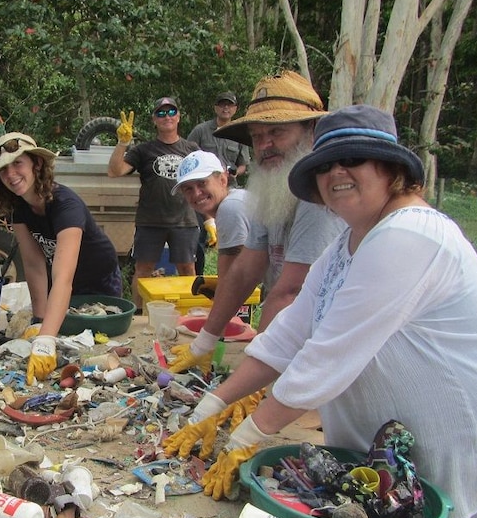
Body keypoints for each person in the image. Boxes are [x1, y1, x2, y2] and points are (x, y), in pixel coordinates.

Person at [165, 104, 477, 518]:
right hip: (385, 455)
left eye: (353, 160)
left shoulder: (412, 234)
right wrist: (214, 403)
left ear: (392, 169)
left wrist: (248, 434)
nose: (336, 173)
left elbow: (327, 356)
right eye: (324, 165)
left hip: (449, 449)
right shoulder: (348, 242)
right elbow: (288, 334)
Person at [167, 71, 345, 374]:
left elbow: (290, 292)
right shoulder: (274, 191)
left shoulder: (318, 195)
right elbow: (244, 272)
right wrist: (203, 343)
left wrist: (251, 377)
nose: (265, 146)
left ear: (311, 130)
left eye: (276, 132)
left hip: (331, 355)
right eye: (257, 136)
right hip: (292, 347)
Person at [0, 132, 121, 384]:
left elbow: (63, 278)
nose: (10, 175)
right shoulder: (20, 209)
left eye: (18, 163)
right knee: (58, 337)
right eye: (3, 170)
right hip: (61, 287)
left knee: (94, 349)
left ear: (37, 163)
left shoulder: (66, 205)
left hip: (98, 285)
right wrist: (39, 320)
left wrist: (45, 341)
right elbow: (34, 265)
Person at [107, 97, 199, 308]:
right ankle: (138, 314)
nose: (166, 117)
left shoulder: (191, 148)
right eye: (160, 113)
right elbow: (114, 171)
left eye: (170, 112)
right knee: (143, 269)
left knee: (187, 269)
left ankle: (190, 312)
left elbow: (207, 180)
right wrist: (122, 143)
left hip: (184, 220)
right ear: (154, 120)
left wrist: (212, 219)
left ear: (178, 117)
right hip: (150, 221)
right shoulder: (144, 150)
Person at [172, 150, 249, 278]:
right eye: (188, 189)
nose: (196, 193)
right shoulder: (236, 200)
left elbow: (233, 278)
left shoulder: (230, 208)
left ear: (223, 180)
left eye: (202, 183)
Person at [187, 91, 250, 186]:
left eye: (229, 105)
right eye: (222, 105)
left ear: (235, 108)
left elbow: (243, 164)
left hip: (230, 186)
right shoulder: (200, 130)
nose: (226, 108)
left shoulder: (239, 133)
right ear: (215, 107)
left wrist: (235, 172)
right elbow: (187, 156)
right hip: (205, 185)